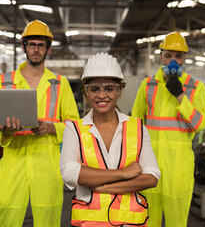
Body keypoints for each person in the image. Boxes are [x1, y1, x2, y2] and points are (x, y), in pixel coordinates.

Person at [0, 19, 79, 227]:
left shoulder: (59, 83)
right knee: (4, 214)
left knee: (48, 218)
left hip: (46, 161)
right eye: (32, 44)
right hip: (13, 160)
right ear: (24, 47)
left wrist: (51, 127)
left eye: (41, 45)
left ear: (47, 49)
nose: (36, 49)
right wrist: (7, 132)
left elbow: (75, 125)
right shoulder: (6, 80)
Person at [60, 52, 160, 227]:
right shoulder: (74, 129)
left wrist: (100, 185)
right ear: (85, 91)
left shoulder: (137, 128)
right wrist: (123, 173)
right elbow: (69, 173)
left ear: (119, 90)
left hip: (130, 223)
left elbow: (151, 177)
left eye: (109, 88)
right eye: (94, 89)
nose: (101, 95)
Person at [132, 32, 205, 227]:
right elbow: (135, 127)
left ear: (185, 59)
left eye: (178, 56)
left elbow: (199, 124)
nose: (173, 61)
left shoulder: (195, 87)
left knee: (177, 222)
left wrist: (181, 96)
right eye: (168, 55)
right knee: (147, 221)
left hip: (178, 169)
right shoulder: (147, 85)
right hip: (149, 166)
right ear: (161, 56)